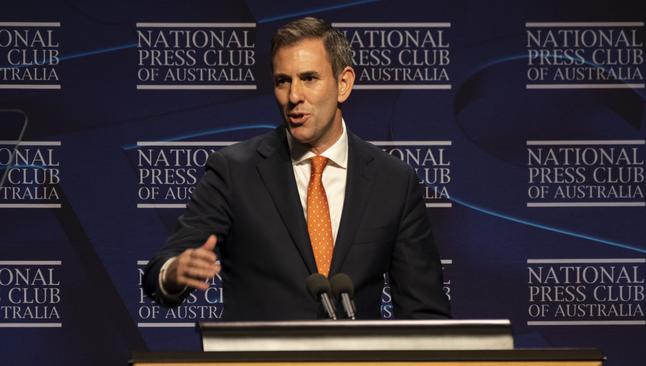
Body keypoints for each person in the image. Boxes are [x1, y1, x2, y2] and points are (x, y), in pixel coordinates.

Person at [143, 17, 450, 320]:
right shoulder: (234, 172)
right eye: (283, 81)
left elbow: (424, 311)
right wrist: (174, 272)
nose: (293, 97)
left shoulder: (393, 180)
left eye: (309, 78)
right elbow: (161, 268)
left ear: (343, 84)